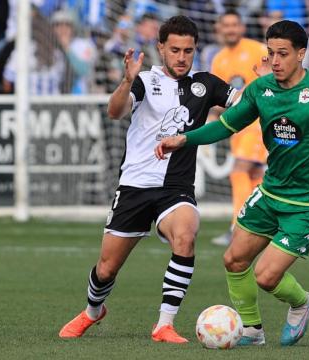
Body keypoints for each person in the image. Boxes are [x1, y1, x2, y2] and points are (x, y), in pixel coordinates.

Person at [156, 20, 309, 346]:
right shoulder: (261, 90)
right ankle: (253, 331)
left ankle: (302, 303)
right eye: (271, 53)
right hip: (272, 191)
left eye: (283, 54)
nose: (275, 61)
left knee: (266, 276)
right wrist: (184, 139)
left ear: (301, 54)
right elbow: (226, 126)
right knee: (233, 260)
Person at [59, 15, 239, 344]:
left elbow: (245, 105)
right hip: (134, 186)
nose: (182, 57)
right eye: (175, 50)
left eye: (188, 50)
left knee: (185, 236)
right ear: (161, 48)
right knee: (106, 268)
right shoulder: (144, 80)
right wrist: (126, 81)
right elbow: (115, 112)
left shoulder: (207, 84)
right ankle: (93, 310)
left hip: (176, 189)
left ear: (196, 49)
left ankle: (164, 325)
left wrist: (264, 86)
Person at [209, 10, 269, 246]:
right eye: (227, 25)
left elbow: (270, 81)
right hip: (238, 125)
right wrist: (212, 116)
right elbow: (218, 97)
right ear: (219, 29)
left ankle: (238, 227)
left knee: (239, 169)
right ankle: (259, 225)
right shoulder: (219, 59)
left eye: (235, 24)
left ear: (242, 27)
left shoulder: (257, 50)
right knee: (254, 175)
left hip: (257, 121)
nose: (231, 29)